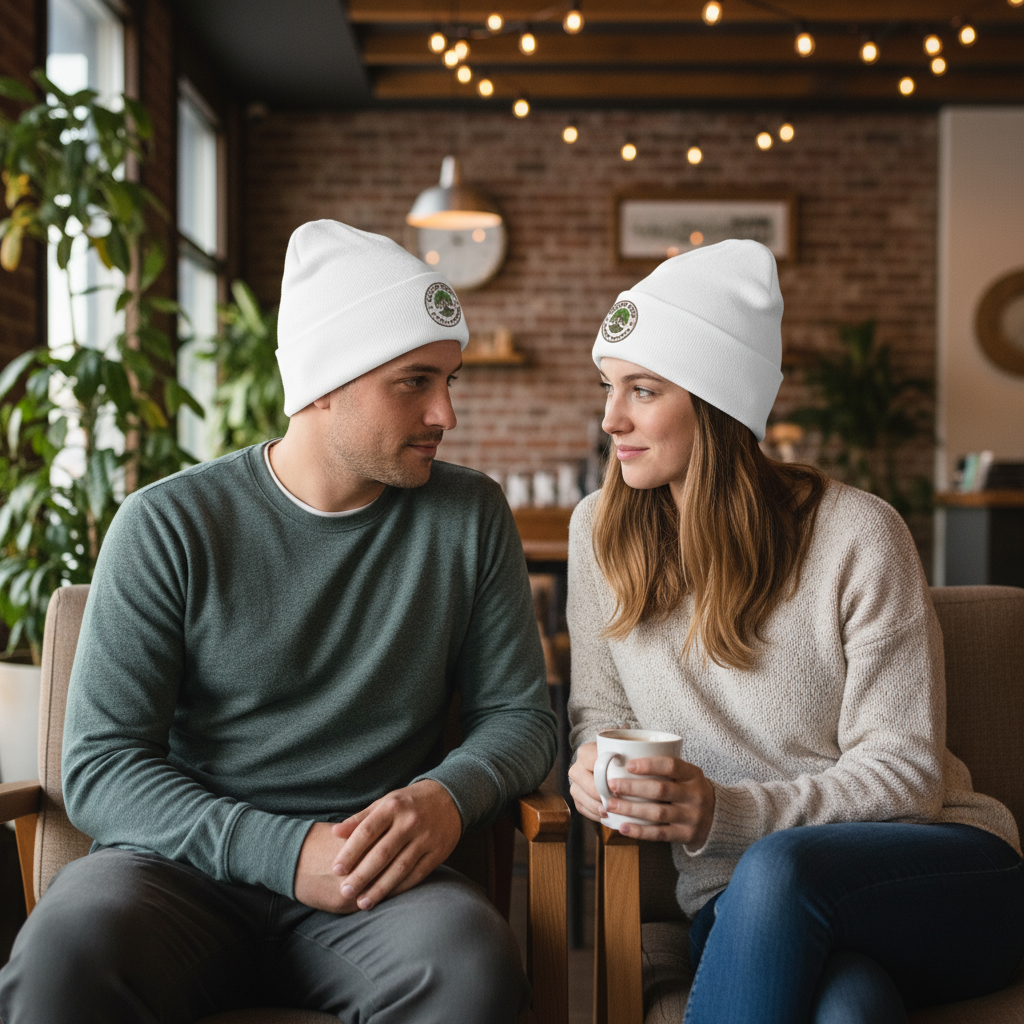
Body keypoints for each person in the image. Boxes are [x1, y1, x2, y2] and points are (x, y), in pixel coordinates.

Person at [0, 221, 558, 1024]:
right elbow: (102, 766)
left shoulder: (467, 515)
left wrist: (444, 796)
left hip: (374, 886)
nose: (446, 412)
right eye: (415, 381)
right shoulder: (167, 524)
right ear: (322, 385)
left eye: (451, 380)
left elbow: (519, 717)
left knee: (473, 965)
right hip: (176, 872)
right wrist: (286, 854)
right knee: (64, 959)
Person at [566, 239, 1024, 1023]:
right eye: (610, 388)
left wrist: (728, 815)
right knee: (850, 1009)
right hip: (740, 903)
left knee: (778, 869)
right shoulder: (598, 534)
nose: (611, 419)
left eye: (642, 390)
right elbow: (599, 716)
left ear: (716, 402)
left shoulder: (857, 533)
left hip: (939, 873)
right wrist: (593, 767)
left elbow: (908, 775)